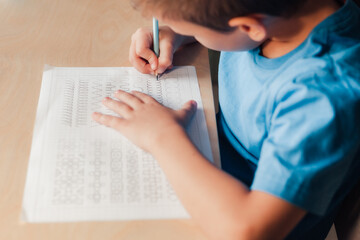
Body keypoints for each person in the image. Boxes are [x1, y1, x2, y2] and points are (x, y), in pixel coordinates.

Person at [92, 0, 360, 239]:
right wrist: (176, 31)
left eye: (196, 29)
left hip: (240, 213)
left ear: (249, 27)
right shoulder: (276, 14)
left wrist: (161, 137)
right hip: (212, 156)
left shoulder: (321, 98)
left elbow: (246, 230)